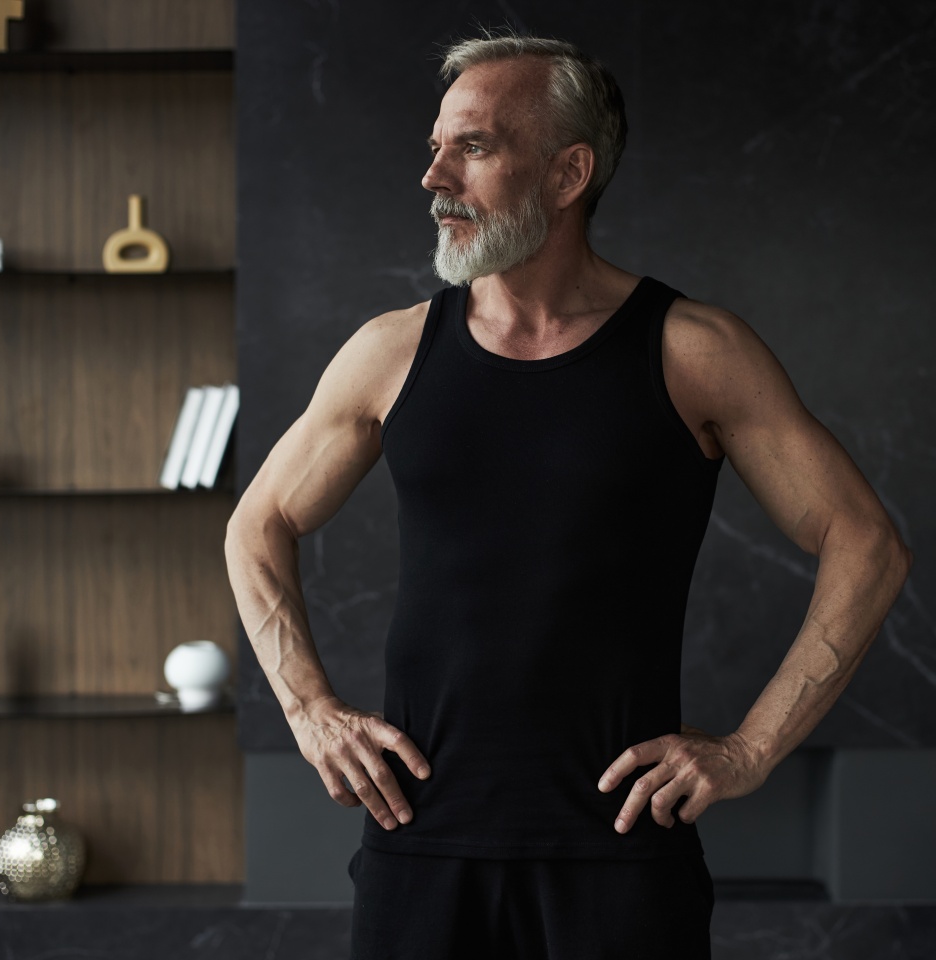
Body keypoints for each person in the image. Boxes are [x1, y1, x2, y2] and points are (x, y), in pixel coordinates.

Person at [224, 31, 912, 960]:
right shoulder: (389, 352)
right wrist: (310, 711)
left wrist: (748, 749)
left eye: (472, 146)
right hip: (418, 843)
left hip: (620, 858)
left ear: (567, 172)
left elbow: (866, 542)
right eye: (435, 146)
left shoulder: (693, 350)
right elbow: (257, 523)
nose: (433, 177)